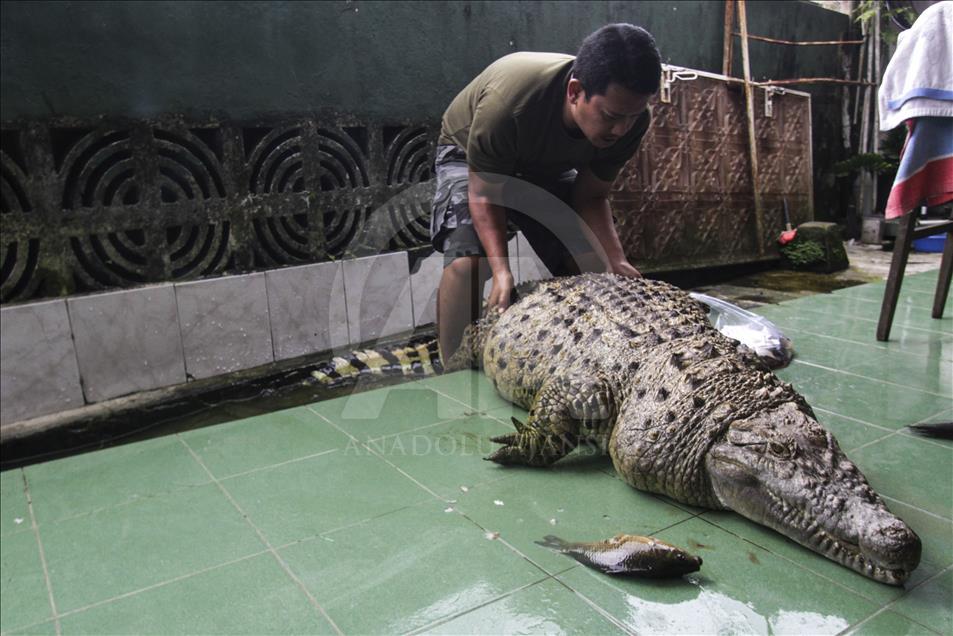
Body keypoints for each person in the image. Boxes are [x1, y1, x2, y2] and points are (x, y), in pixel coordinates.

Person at [430, 23, 662, 362]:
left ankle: (585, 358)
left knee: (593, 267)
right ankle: (451, 367)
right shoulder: (509, 104)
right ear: (575, 92)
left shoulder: (631, 122)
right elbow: (485, 193)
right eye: (611, 116)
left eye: (632, 116)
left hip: (544, 165)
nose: (621, 129)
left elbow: (591, 196)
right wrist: (501, 270)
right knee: (470, 264)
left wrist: (615, 260)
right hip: (469, 154)